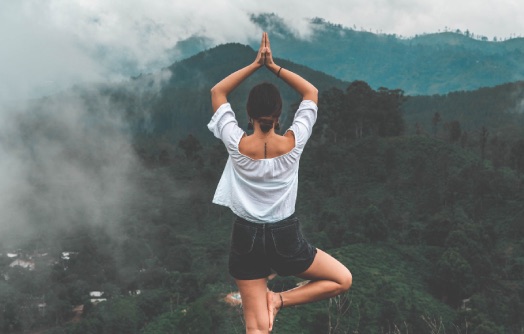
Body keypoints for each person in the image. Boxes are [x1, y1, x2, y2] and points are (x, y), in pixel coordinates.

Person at [208, 32, 352, 333]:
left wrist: (254, 64)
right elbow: (311, 92)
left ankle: (271, 302)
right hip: (285, 236)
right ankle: (279, 301)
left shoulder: (236, 143)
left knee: (256, 329)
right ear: (279, 114)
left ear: (248, 113)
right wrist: (273, 66)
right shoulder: (293, 142)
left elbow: (218, 92)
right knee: (342, 279)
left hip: (245, 236)